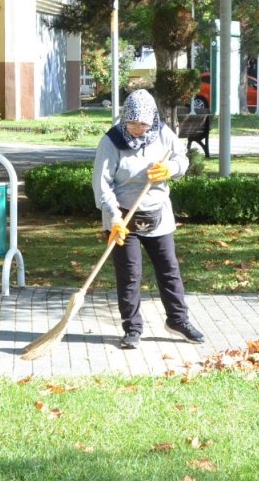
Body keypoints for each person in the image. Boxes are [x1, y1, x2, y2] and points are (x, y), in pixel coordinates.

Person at [93, 89, 205, 350]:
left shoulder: (163, 133)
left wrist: (171, 169)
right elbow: (102, 186)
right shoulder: (111, 141)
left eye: (142, 124)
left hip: (158, 212)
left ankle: (178, 320)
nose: (137, 129)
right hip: (122, 215)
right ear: (124, 118)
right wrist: (114, 219)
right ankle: (132, 328)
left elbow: (181, 158)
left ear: (152, 120)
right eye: (131, 123)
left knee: (169, 270)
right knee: (130, 274)